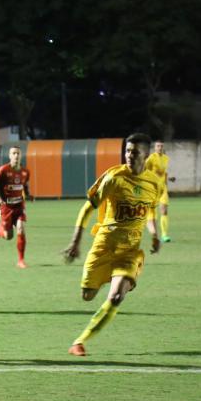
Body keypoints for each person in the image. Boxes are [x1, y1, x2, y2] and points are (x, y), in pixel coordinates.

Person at [60, 133, 162, 357]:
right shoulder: (114, 177)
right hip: (104, 245)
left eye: (135, 152)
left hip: (130, 251)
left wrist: (155, 234)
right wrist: (75, 241)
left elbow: (150, 210)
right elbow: (88, 208)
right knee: (87, 295)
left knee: (116, 297)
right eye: (127, 151)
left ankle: (79, 342)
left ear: (146, 155)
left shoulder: (154, 183)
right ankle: (112, 277)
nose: (129, 155)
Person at [0, 145, 32, 268]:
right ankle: (1, 230)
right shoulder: (3, 170)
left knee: (21, 228)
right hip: (6, 207)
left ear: (21, 155)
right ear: (9, 156)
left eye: (18, 153)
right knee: (8, 236)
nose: (16, 155)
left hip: (19, 206)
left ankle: (21, 260)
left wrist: (28, 195)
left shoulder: (25, 172)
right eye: (14, 153)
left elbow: (24, 186)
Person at [144, 140, 176, 242]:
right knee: (152, 214)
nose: (160, 148)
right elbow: (144, 170)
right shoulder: (151, 158)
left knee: (164, 210)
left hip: (163, 188)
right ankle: (154, 233)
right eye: (158, 146)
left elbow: (163, 173)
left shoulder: (166, 158)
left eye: (161, 146)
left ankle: (164, 235)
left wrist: (169, 178)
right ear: (154, 147)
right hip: (153, 189)